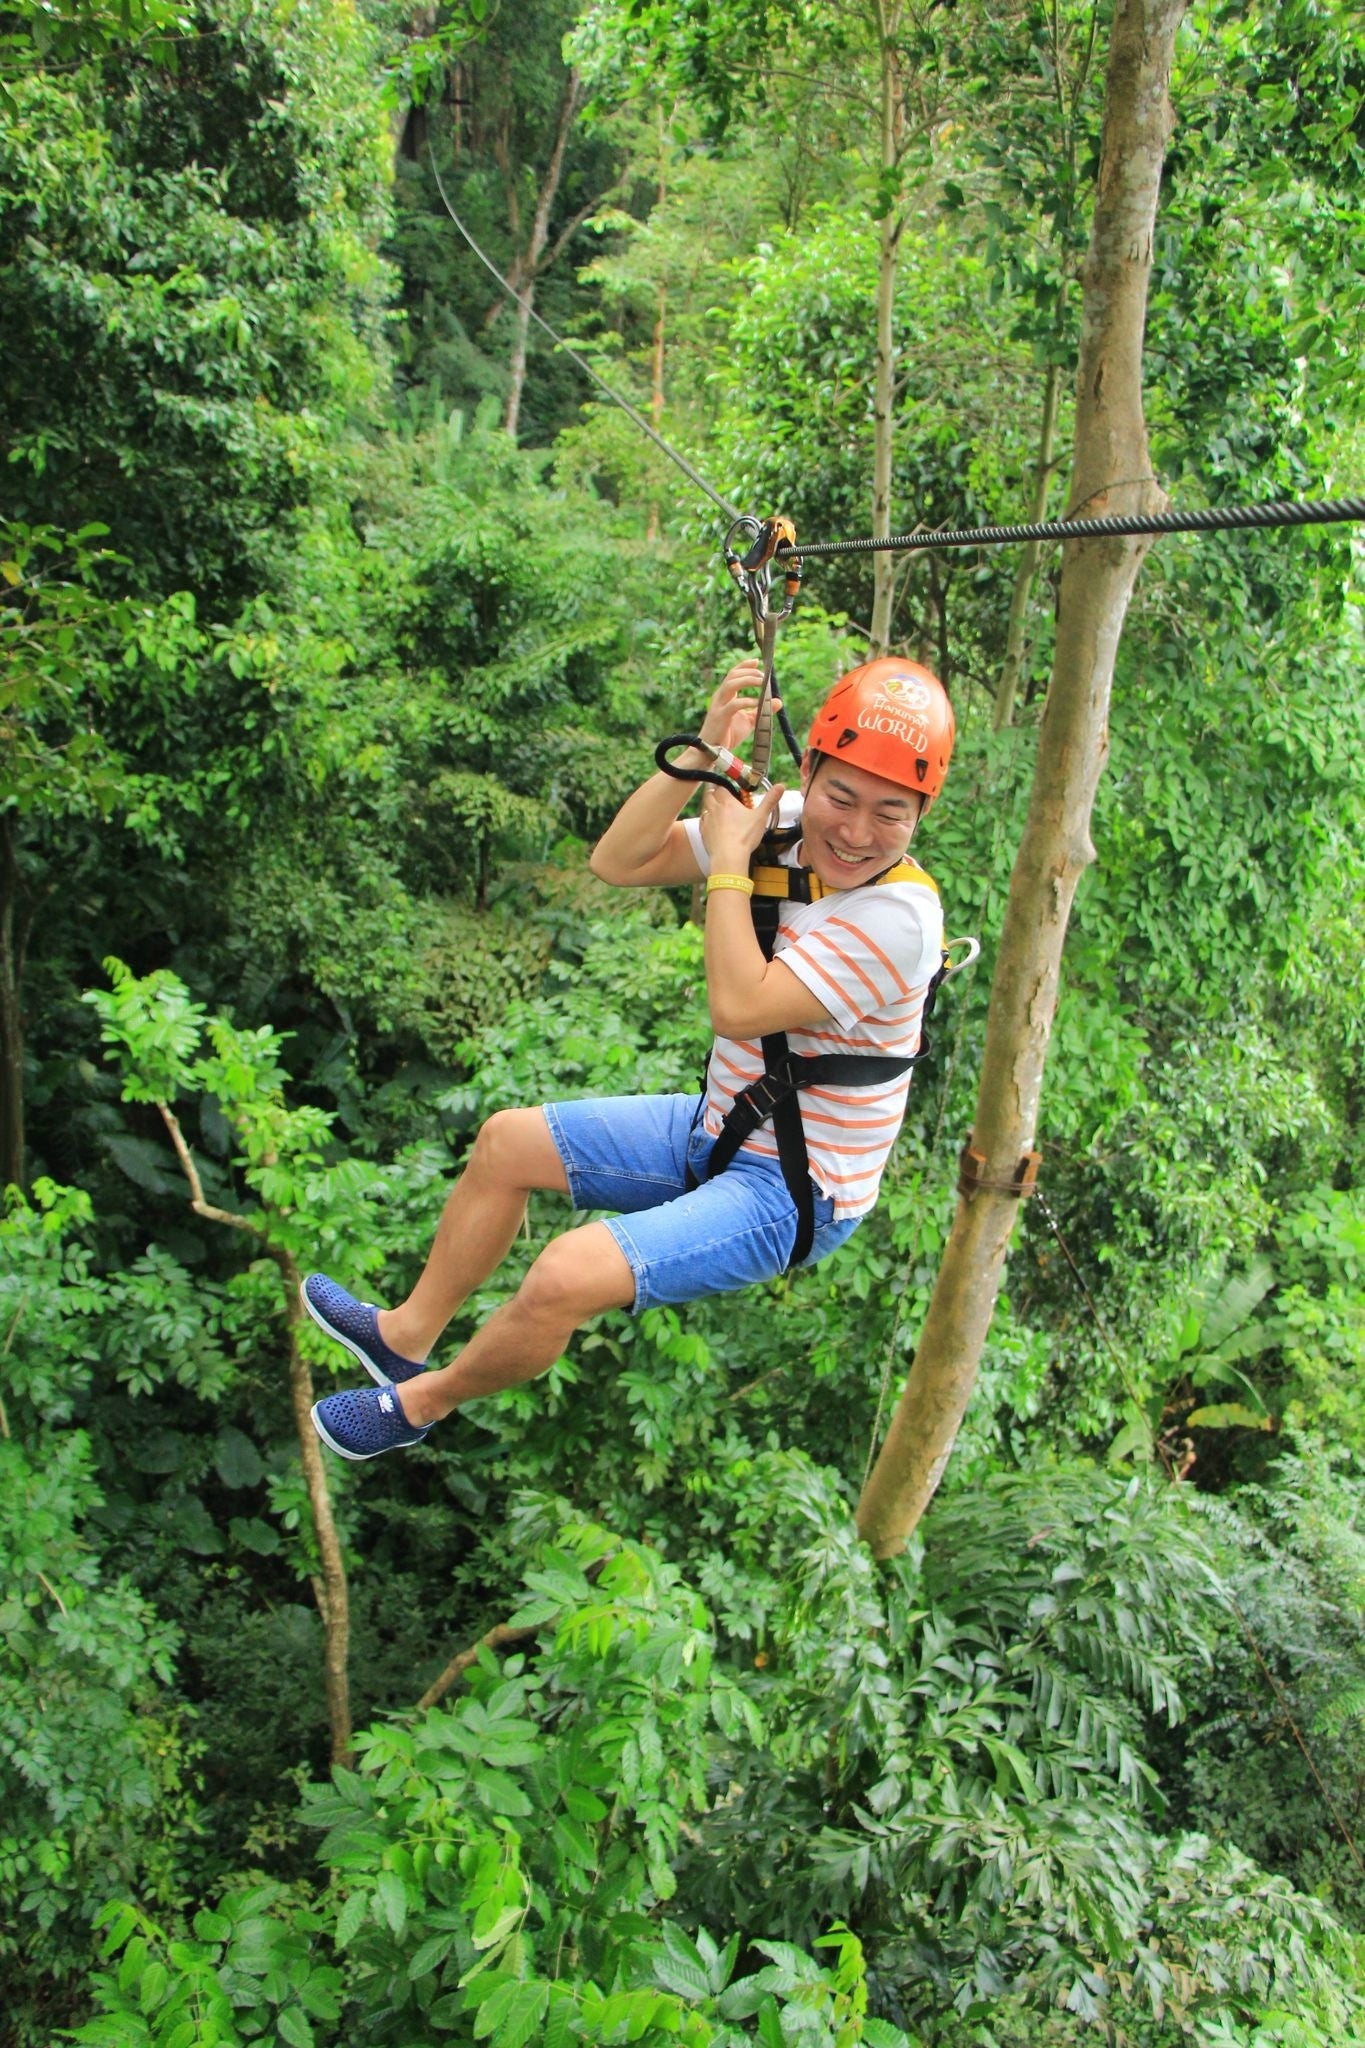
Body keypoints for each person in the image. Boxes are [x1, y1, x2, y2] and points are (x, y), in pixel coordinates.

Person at [306, 653, 954, 1460]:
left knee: (563, 1275)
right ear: (808, 768)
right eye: (840, 796)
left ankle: (415, 1404)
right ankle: (404, 1333)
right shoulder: (777, 825)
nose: (855, 831)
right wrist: (698, 760)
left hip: (795, 1188)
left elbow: (739, 1008)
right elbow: (618, 861)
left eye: (890, 813)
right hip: (723, 1123)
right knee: (505, 1142)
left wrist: (726, 864)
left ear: (921, 815)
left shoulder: (900, 921)